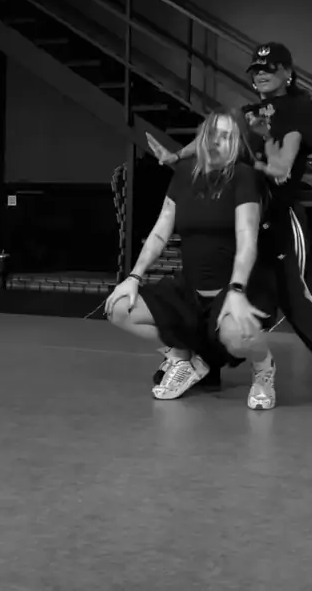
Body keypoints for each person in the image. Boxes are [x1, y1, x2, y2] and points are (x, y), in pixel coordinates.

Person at [147, 41, 312, 405]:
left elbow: (283, 163)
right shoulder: (249, 112)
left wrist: (263, 156)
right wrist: (175, 155)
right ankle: (206, 365)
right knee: (217, 295)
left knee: (307, 302)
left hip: (281, 220)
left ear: (287, 73)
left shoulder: (298, 107)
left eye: (270, 68)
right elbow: (210, 139)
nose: (262, 74)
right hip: (248, 217)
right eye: (257, 70)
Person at [106, 108, 278, 410]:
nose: (216, 142)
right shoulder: (185, 174)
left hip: (234, 288)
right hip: (191, 292)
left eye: (226, 137)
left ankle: (264, 367)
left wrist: (237, 290)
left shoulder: (244, 177)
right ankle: (182, 359)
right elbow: (160, 230)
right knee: (119, 308)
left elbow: (247, 239)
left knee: (237, 334)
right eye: (212, 134)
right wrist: (134, 277)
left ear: (236, 144)